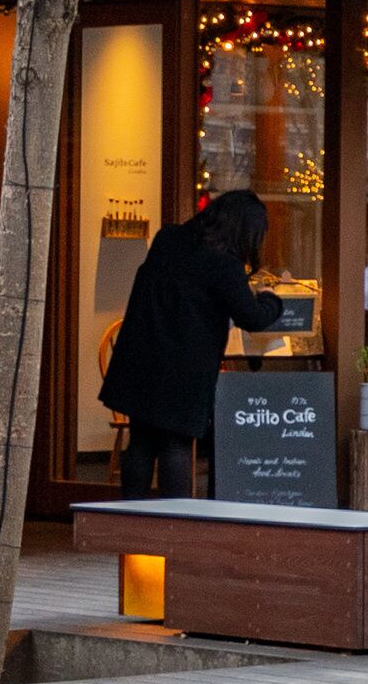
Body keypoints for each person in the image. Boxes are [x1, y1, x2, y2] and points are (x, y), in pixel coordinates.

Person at [96, 190, 285, 499]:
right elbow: (251, 317)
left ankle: (131, 520)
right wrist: (271, 301)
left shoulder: (167, 239)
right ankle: (176, 525)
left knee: (141, 440)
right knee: (176, 444)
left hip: (141, 355)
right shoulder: (224, 265)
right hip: (184, 368)